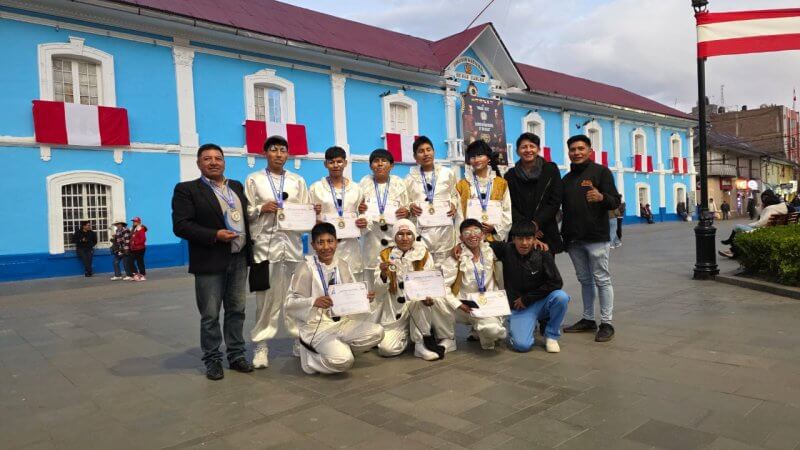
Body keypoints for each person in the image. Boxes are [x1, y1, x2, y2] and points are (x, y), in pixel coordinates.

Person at [171, 143, 254, 380]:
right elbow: (181, 225)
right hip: (210, 260)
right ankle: (212, 360)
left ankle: (237, 355)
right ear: (199, 164)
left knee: (237, 310)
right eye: (207, 158)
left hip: (239, 259)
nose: (213, 162)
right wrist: (214, 235)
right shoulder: (187, 190)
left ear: (224, 162)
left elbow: (247, 217)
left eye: (218, 158)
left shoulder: (236, 187)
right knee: (210, 315)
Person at [245, 135, 311, 369]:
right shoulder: (254, 180)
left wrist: (309, 213)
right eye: (274, 150)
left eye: (283, 150)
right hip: (265, 250)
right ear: (265, 153)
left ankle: (298, 339)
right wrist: (261, 208)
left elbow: (306, 212)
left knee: (296, 297)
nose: (279, 154)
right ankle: (261, 345)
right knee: (265, 300)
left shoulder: (297, 181)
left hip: (292, 248)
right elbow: (246, 212)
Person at [286, 223, 384, 375]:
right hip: (316, 327)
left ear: (337, 242)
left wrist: (363, 298)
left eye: (330, 241)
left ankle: (337, 348)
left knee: (377, 332)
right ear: (313, 245)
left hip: (341, 323)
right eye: (320, 242)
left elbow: (350, 295)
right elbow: (290, 303)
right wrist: (313, 302)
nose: (326, 247)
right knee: (344, 362)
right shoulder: (305, 268)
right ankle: (310, 359)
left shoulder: (342, 265)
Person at [561, 134, 621, 343]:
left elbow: (615, 201)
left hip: (596, 237)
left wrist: (601, 197)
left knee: (602, 279)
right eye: (573, 149)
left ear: (589, 151)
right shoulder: (567, 179)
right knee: (585, 280)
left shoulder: (601, 172)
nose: (576, 153)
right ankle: (588, 319)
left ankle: (606, 322)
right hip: (574, 240)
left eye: (581, 149)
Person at [373, 219, 454, 361]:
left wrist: (429, 297)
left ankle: (420, 343)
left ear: (414, 235)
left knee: (422, 301)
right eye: (400, 234)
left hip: (417, 304)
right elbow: (378, 289)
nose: (404, 238)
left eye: (408, 234)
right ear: (394, 236)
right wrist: (383, 274)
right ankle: (409, 336)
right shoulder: (384, 256)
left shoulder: (424, 254)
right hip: (395, 311)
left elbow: (430, 283)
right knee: (387, 350)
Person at [488, 222, 568, 353]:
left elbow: (556, 282)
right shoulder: (506, 249)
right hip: (519, 307)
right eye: (520, 239)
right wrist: (459, 245)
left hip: (537, 301)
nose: (524, 243)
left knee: (561, 297)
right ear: (513, 239)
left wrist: (527, 299)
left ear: (534, 239)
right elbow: (482, 243)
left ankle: (551, 335)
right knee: (522, 346)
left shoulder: (543, 252)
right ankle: (517, 324)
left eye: (528, 238)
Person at [443, 219, 507, 350]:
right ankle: (447, 338)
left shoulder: (491, 251)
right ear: (461, 237)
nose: (472, 236)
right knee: (437, 301)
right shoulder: (456, 257)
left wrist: (534, 239)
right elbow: (443, 287)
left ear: (483, 234)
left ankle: (483, 331)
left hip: (485, 306)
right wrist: (459, 304)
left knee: (493, 331)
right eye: (467, 233)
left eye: (477, 231)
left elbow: (515, 246)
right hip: (462, 307)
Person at [358, 149, 410, 304]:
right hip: (371, 238)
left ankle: (396, 313)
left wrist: (405, 211)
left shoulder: (399, 183)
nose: (379, 164)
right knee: (372, 274)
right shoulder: (364, 183)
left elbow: (407, 208)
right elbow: (358, 209)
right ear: (370, 165)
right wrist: (359, 210)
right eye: (376, 161)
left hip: (394, 239)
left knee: (395, 272)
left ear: (392, 165)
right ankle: (373, 314)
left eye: (384, 161)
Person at [310, 146, 367, 281]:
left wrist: (363, 221)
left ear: (345, 163)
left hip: (350, 246)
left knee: (351, 285)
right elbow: (308, 217)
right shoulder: (316, 188)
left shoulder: (357, 188)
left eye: (339, 161)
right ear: (325, 164)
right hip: (325, 246)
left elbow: (364, 213)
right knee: (326, 285)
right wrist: (313, 215)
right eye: (331, 162)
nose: (336, 165)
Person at [504, 132, 564, 254]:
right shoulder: (510, 175)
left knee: (546, 269)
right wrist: (528, 228)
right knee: (519, 269)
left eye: (532, 146)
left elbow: (555, 200)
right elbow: (508, 204)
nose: (528, 150)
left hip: (545, 229)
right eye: (524, 147)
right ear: (517, 151)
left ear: (538, 149)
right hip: (520, 232)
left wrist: (537, 223)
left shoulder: (550, 170)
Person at [406, 136, 459, 265]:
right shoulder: (409, 179)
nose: (426, 154)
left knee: (447, 272)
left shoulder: (448, 173)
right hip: (422, 234)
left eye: (428, 149)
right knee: (424, 273)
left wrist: (453, 204)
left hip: (445, 233)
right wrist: (410, 206)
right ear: (415, 157)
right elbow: (405, 201)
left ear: (434, 152)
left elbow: (455, 195)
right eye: (421, 151)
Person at [455, 140, 511, 242]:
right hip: (469, 240)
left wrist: (495, 229)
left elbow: (507, 212)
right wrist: (462, 239)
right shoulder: (462, 185)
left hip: (493, 240)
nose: (476, 160)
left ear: (488, 158)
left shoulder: (501, 183)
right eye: (472, 157)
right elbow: (459, 216)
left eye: (480, 155)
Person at [719, 190, 788, 258]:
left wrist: (750, 225)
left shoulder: (769, 209)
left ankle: (732, 247)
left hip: (763, 231)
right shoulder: (781, 207)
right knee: (739, 230)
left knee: (737, 227)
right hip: (773, 230)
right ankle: (732, 249)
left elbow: (761, 223)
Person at [129, 216, 147, 281]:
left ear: (138, 222)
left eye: (135, 221)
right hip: (133, 248)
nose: (134, 222)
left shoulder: (141, 229)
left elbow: (143, 239)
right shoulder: (133, 229)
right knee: (130, 261)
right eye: (133, 221)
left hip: (140, 248)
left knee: (140, 262)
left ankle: (142, 275)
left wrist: (135, 242)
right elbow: (131, 237)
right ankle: (136, 274)